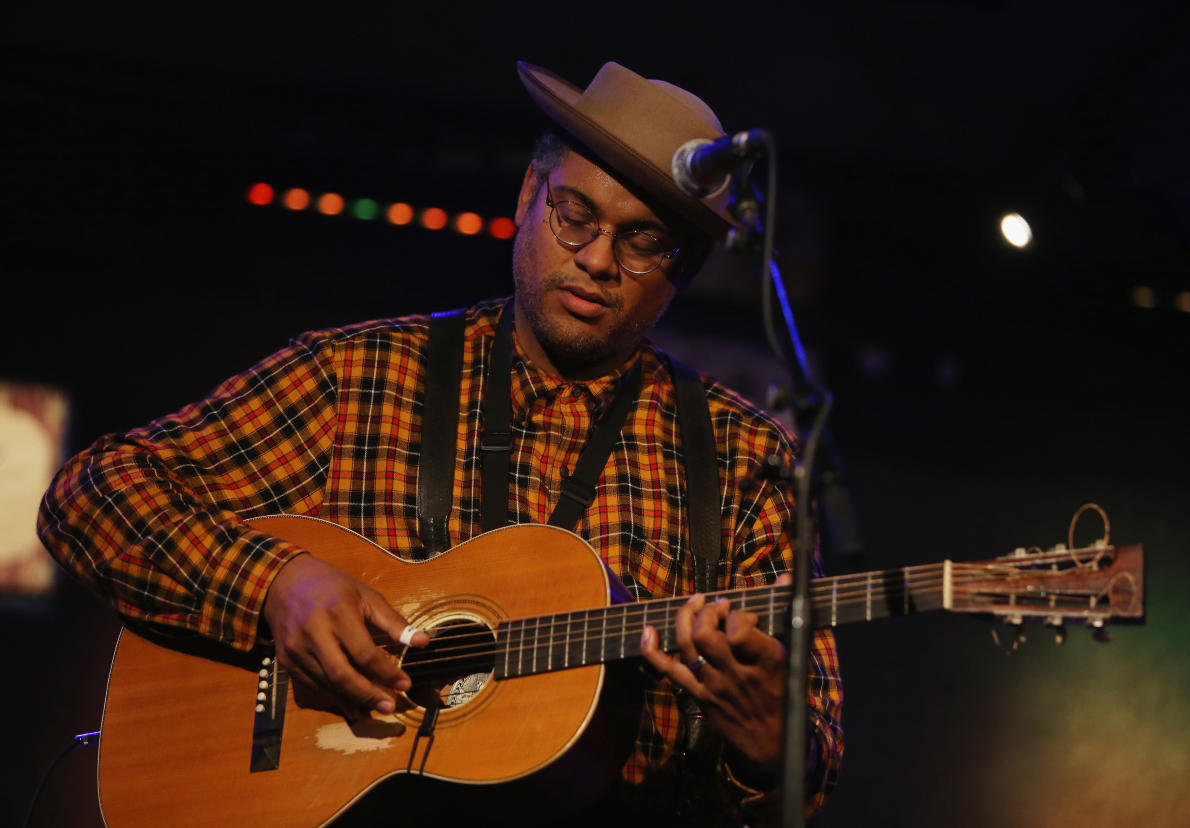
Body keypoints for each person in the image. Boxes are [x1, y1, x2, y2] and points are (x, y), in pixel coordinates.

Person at [38, 60, 843, 826]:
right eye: (576, 215)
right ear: (530, 193)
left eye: (642, 243)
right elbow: (91, 495)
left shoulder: (746, 461)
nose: (597, 259)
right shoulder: (359, 375)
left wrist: (775, 754)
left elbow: (806, 780)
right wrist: (274, 584)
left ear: (684, 269)